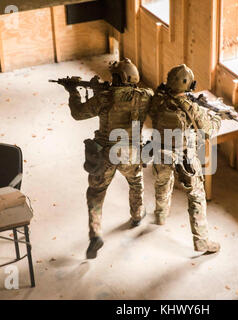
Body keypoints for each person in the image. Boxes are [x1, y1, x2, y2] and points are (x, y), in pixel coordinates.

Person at [63, 58, 154, 259]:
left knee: (96, 193)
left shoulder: (104, 97)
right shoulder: (146, 96)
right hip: (131, 152)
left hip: (105, 154)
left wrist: (73, 91)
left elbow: (78, 114)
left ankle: (95, 234)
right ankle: (137, 215)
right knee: (136, 182)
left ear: (117, 77)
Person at [149, 64, 222, 254]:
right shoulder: (192, 108)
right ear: (190, 84)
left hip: (160, 153)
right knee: (196, 196)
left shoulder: (157, 101)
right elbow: (208, 131)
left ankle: (160, 215)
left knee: (162, 184)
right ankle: (201, 241)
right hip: (185, 159)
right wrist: (217, 118)